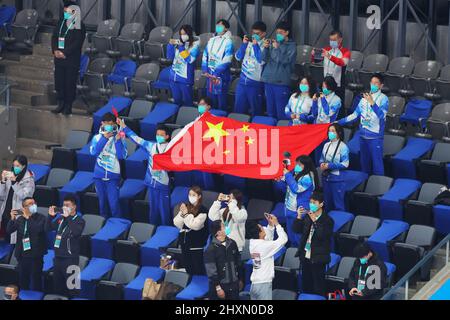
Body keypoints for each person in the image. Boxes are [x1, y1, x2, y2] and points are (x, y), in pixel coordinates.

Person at [118, 119, 172, 226]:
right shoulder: (151, 146)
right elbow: (137, 139)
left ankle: (166, 233)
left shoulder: (171, 149)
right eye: (157, 134)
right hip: (151, 184)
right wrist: (124, 127)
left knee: (164, 212)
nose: (159, 136)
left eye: (161, 135)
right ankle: (152, 231)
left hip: (163, 186)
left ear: (167, 136)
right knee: (153, 212)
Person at [338, 73, 388, 176]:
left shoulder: (384, 99)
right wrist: (339, 122)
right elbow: (354, 115)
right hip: (363, 136)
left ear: (381, 85)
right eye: (372, 82)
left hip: (375, 137)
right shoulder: (363, 99)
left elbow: (381, 116)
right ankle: (364, 184)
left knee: (377, 164)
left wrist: (372, 103)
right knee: (364, 164)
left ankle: (379, 187)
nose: (373, 85)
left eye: (376, 83)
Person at [293, 192, 334, 297]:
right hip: (306, 255)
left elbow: (322, 236)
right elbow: (296, 229)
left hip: (318, 257)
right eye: (310, 202)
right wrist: (298, 217)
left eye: (314, 202)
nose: (311, 204)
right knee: (306, 284)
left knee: (318, 286)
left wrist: (315, 221)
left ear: (321, 204)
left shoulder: (328, 220)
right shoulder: (307, 217)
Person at [47, 194, 85, 297]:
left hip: (70, 259)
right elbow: (48, 228)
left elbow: (76, 232)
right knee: (58, 288)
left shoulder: (79, 220)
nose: (65, 208)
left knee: (73, 288)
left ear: (74, 206)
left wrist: (68, 217)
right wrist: (50, 217)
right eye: (64, 205)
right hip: (58, 258)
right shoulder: (61, 219)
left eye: (67, 205)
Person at [90, 112, 127, 219]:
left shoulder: (119, 137)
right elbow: (94, 152)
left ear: (114, 124)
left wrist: (118, 141)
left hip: (113, 176)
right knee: (102, 204)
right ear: (102, 124)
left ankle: (117, 225)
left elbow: (122, 156)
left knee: (114, 204)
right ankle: (103, 225)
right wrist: (104, 138)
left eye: (111, 124)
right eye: (107, 123)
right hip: (99, 175)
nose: (109, 126)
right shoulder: (97, 138)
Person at [51, 1, 86, 115]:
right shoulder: (60, 22)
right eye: (64, 11)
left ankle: (68, 106)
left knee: (69, 83)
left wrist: (65, 52)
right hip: (59, 58)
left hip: (71, 59)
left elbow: (77, 42)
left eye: (68, 11)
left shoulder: (78, 25)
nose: (65, 13)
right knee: (59, 82)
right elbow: (54, 37)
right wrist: (55, 50)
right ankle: (60, 103)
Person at [7, 197, 46, 291]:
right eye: (30, 204)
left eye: (34, 203)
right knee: (23, 280)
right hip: (22, 255)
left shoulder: (42, 218)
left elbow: (37, 230)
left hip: (35, 256)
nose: (33, 205)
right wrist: (12, 218)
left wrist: (28, 218)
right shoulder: (20, 219)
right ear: (24, 207)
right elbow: (9, 230)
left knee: (36, 281)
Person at [301, 76, 342, 165]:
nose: (324, 89)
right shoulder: (320, 97)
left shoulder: (337, 100)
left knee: (326, 154)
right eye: (323, 87)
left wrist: (323, 99)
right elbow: (315, 113)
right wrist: (315, 101)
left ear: (331, 87)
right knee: (317, 152)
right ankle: (317, 170)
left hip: (328, 129)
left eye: (326, 87)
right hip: (317, 128)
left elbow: (328, 113)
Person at [261, 21, 297, 120]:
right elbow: (263, 59)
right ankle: (271, 133)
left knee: (281, 113)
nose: (278, 35)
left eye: (281, 32)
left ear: (287, 33)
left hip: (281, 83)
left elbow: (285, 61)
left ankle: (282, 133)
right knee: (270, 111)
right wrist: (266, 48)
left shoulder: (292, 46)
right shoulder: (274, 43)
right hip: (269, 81)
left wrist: (276, 49)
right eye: (277, 32)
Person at [247, 214, 288, 300]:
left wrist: (270, 224)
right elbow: (283, 239)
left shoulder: (253, 242)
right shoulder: (263, 246)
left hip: (255, 284)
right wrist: (277, 224)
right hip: (263, 284)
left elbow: (267, 239)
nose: (263, 227)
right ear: (259, 232)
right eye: (262, 227)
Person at [280, 155, 318, 247]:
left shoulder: (308, 177)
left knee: (298, 238)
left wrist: (287, 175)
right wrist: (282, 179)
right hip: (290, 208)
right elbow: (291, 184)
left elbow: (296, 189)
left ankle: (301, 257)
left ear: (306, 165)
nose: (297, 166)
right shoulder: (298, 173)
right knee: (291, 237)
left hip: (299, 211)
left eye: (300, 164)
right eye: (297, 163)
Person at [233, 21, 267, 117]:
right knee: (238, 110)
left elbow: (261, 60)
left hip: (255, 83)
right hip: (242, 82)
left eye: (257, 34)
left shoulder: (265, 45)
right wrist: (244, 44)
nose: (254, 35)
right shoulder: (248, 43)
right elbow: (238, 57)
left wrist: (256, 45)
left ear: (264, 34)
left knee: (256, 111)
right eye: (253, 33)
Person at [173, 186, 209, 275]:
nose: (191, 196)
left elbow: (195, 225)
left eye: (193, 195)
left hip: (196, 244)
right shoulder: (186, 207)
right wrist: (182, 214)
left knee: (197, 269)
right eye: (190, 194)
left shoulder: (203, 210)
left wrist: (185, 214)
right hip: (184, 243)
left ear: (199, 196)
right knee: (188, 267)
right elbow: (177, 223)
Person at [204, 220, 243, 300]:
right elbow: (211, 272)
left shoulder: (232, 243)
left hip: (234, 285)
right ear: (218, 232)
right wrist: (218, 288)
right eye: (224, 226)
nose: (227, 228)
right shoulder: (210, 249)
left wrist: (241, 279)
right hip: (221, 287)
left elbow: (238, 262)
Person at [0, 155, 35, 240]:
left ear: (24, 166)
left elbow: (25, 196)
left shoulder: (29, 180)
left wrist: (14, 183)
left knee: (13, 238)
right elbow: (1, 194)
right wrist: (3, 181)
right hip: (5, 210)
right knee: (4, 237)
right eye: (14, 165)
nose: (15, 168)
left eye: (17, 166)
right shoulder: (10, 175)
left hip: (18, 212)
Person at [202, 19, 234, 110]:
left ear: (226, 28)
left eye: (221, 25)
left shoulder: (229, 42)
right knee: (211, 101)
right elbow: (205, 54)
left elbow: (227, 60)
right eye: (217, 25)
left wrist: (215, 74)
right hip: (210, 74)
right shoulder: (211, 40)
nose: (218, 27)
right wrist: (205, 70)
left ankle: (221, 120)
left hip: (220, 76)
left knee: (221, 102)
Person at [313, 30, 350, 103]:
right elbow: (316, 61)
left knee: (338, 104)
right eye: (330, 40)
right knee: (324, 103)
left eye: (334, 40)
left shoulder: (346, 51)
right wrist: (313, 55)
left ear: (340, 39)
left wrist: (330, 56)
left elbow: (343, 62)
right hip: (326, 83)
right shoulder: (326, 49)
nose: (332, 42)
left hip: (338, 83)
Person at [167, 24, 200, 106]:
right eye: (181, 34)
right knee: (176, 102)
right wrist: (170, 45)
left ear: (189, 34)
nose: (182, 36)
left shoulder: (195, 46)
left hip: (185, 79)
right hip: (174, 78)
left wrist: (181, 48)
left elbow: (189, 60)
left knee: (187, 102)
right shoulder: (178, 44)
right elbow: (170, 57)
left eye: (184, 34)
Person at [320, 124, 349, 212]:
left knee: (338, 204)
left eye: (333, 131)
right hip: (326, 178)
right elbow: (321, 158)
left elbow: (345, 164)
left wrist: (330, 165)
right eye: (329, 131)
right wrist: (322, 164)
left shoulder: (343, 147)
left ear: (338, 133)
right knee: (328, 203)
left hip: (337, 179)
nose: (330, 133)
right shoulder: (326, 145)